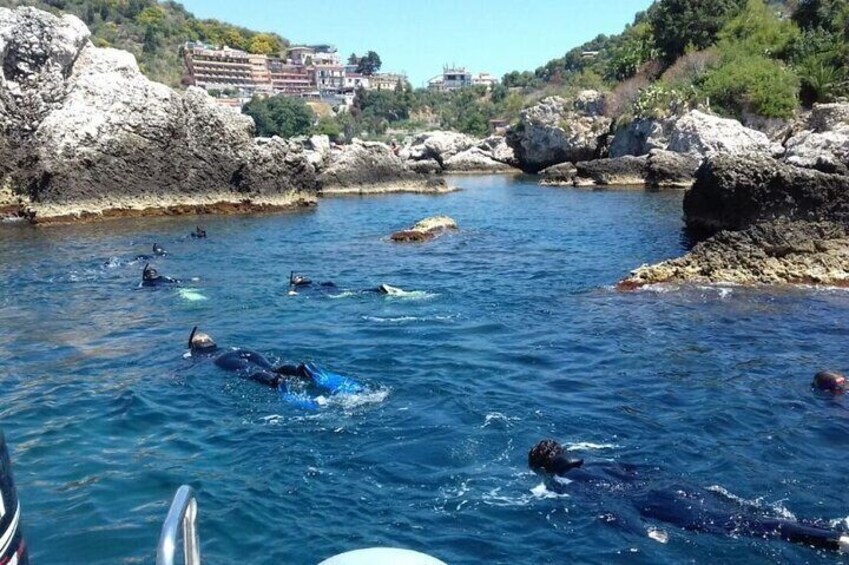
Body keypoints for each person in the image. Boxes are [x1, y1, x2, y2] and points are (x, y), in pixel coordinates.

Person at [528, 440, 849, 553]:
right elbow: (644, 471)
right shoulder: (600, 462)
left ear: (543, 467)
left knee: (747, 526)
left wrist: (641, 530)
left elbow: (606, 509)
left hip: (657, 506)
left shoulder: (565, 482)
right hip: (672, 490)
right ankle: (829, 527)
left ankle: (835, 542)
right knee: (751, 514)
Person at [187, 327, 363, 408]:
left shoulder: (198, 356)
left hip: (224, 360)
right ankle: (301, 370)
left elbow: (186, 369)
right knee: (272, 366)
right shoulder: (225, 347)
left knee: (251, 372)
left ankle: (276, 382)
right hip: (243, 351)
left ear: (194, 347)